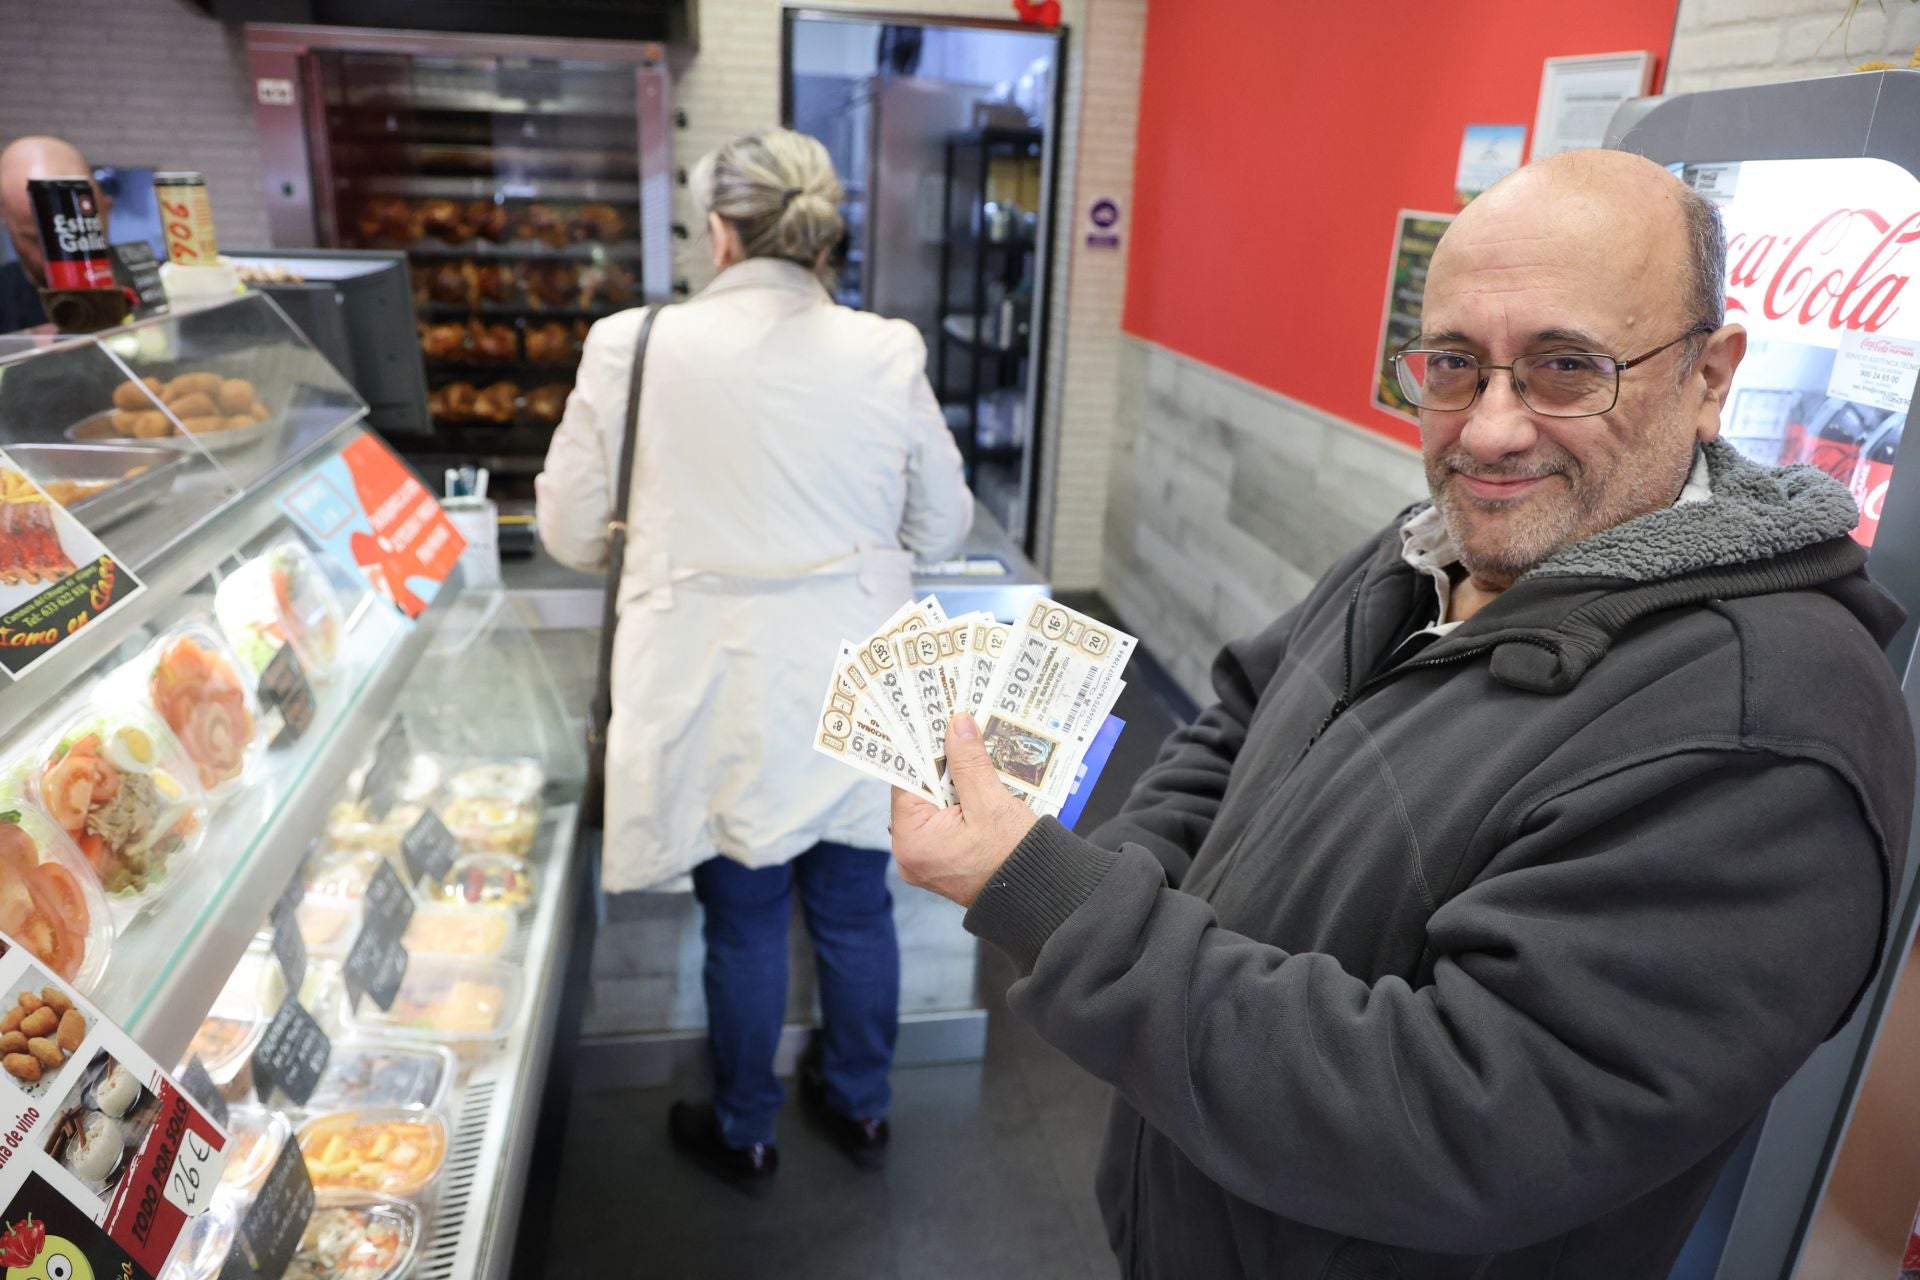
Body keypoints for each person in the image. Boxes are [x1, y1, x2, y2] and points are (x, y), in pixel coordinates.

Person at [891, 149, 1916, 1278]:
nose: (1486, 431)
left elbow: (1452, 1119)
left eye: (1565, 367)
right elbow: (1240, 717)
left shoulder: (1767, 733)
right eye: (1454, 365)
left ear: (1711, 376)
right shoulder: (1426, 544)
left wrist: (1051, 898)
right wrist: (1121, 870)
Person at [536, 128, 973, 1190]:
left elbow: (567, 528)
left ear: (721, 230)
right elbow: (947, 523)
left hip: (715, 683)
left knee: (739, 914)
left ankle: (745, 1124)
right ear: (821, 235)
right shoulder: (886, 349)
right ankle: (862, 1103)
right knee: (855, 902)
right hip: (854, 680)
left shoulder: (633, 343)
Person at [0, 136, 98, 333]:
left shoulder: (148, 276)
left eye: (77, 233)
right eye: (39, 240)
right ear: (6, 222)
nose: (64, 260)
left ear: (106, 208)